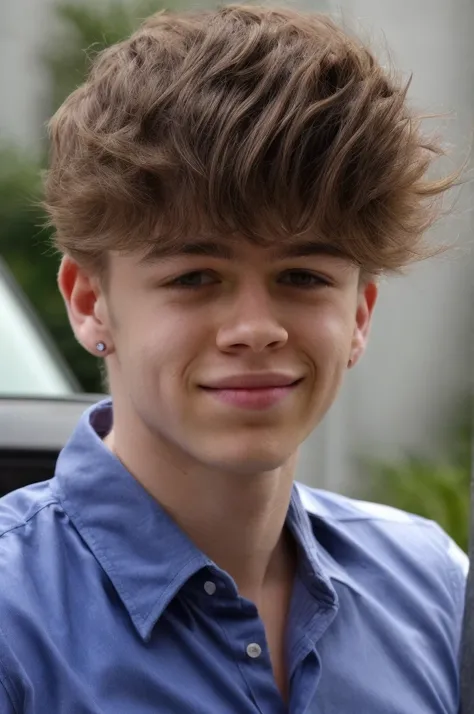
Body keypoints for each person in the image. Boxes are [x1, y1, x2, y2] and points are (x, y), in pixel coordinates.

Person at [0, 4, 468, 713]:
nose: (255, 329)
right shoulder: (13, 617)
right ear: (91, 302)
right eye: (195, 277)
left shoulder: (433, 586)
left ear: (359, 315)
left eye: (303, 277)